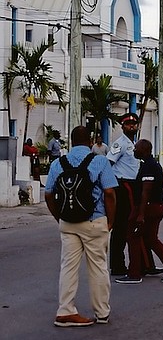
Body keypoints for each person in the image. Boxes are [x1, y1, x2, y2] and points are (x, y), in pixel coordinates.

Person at [44, 126, 117, 327]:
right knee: (98, 267)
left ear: (72, 142)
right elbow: (110, 193)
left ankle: (65, 311)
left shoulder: (58, 163)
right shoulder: (100, 161)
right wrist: (110, 221)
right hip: (94, 221)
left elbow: (48, 194)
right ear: (90, 140)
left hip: (68, 222)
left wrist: (59, 217)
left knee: (68, 267)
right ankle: (102, 313)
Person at [116, 139, 163, 284]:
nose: (134, 150)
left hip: (149, 208)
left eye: (136, 148)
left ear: (144, 150)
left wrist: (140, 214)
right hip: (156, 206)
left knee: (132, 236)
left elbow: (146, 190)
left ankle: (134, 273)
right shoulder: (150, 164)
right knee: (151, 239)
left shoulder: (149, 167)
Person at [107, 112, 141, 276]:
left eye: (134, 124)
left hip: (133, 186)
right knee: (120, 226)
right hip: (122, 186)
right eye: (128, 124)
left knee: (130, 225)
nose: (132, 126)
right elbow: (108, 163)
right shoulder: (119, 144)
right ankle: (117, 265)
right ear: (123, 127)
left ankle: (134, 262)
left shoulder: (134, 144)